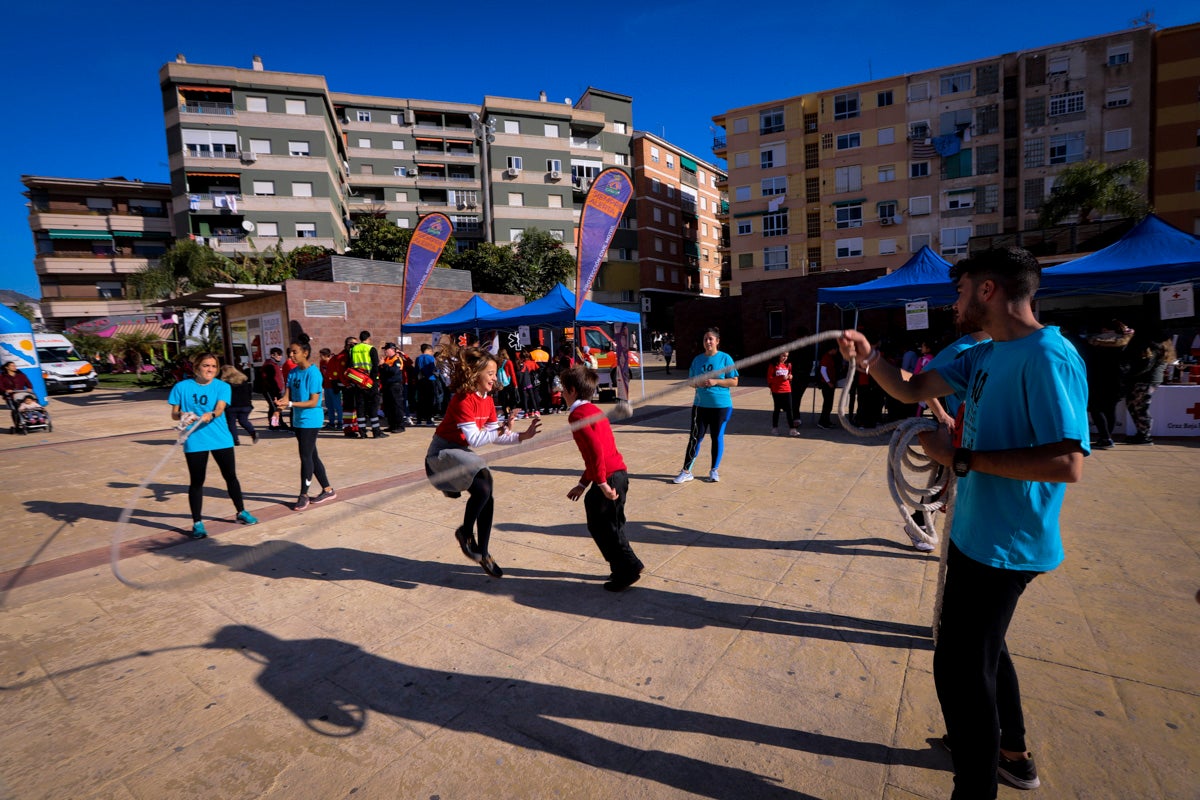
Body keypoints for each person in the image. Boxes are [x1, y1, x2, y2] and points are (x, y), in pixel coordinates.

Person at [838, 247, 1088, 799]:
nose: (953, 302)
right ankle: (1011, 753)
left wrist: (962, 459)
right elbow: (910, 388)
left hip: (1008, 547)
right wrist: (869, 358)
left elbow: (1066, 462)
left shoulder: (1049, 356)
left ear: (988, 290)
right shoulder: (983, 354)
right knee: (984, 653)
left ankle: (977, 783)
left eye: (960, 290)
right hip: (976, 537)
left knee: (959, 672)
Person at [425, 341, 541, 578]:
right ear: (476, 374)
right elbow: (477, 440)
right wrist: (501, 429)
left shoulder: (487, 399)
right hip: (440, 456)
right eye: (490, 373)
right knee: (484, 476)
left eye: (494, 372)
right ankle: (466, 534)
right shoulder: (463, 399)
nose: (494, 377)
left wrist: (521, 435)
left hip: (459, 454)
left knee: (486, 491)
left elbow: (495, 435)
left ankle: (483, 553)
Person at [561, 364, 644, 591]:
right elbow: (594, 455)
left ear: (572, 390)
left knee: (605, 526)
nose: (560, 393)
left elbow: (596, 451)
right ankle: (622, 568)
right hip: (616, 474)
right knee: (607, 524)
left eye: (562, 388)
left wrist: (602, 484)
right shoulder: (593, 410)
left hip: (610, 477)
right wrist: (582, 484)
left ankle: (629, 567)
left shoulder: (578, 414)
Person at [168, 353, 259, 538]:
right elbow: (174, 413)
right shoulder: (181, 387)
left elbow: (220, 408)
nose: (210, 369)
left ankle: (241, 511)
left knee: (230, 476)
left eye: (213, 366)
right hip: (194, 440)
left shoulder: (222, 386)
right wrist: (182, 415)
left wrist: (212, 414)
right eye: (205, 365)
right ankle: (197, 523)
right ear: (196, 367)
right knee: (197, 481)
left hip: (220, 438)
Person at [673, 327, 739, 484]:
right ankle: (686, 471)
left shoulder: (725, 358)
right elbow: (691, 382)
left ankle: (714, 470)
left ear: (717, 341)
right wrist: (698, 383)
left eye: (711, 339)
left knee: (716, 437)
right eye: (705, 339)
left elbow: (734, 381)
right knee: (695, 438)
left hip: (721, 406)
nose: (708, 341)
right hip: (700, 406)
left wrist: (717, 381)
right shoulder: (697, 360)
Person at [280, 336, 337, 511]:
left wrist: (289, 404)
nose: (291, 355)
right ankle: (328, 490)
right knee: (312, 456)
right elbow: (287, 395)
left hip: (311, 420)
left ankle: (303, 494)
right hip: (297, 419)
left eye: (295, 352)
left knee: (305, 457)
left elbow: (314, 402)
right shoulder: (293, 372)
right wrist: (281, 404)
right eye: (290, 351)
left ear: (305, 353)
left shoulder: (314, 373)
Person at [1085, 320, 1132, 449]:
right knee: (1110, 409)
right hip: (1118, 380)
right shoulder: (1126, 342)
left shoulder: (1095, 343)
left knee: (1096, 408)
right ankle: (1108, 437)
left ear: (1105, 329)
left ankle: (1105, 437)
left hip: (1098, 379)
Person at [1122, 329, 1174, 445]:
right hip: (1151, 380)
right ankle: (1142, 433)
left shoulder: (1154, 347)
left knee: (1140, 408)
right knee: (1136, 406)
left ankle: (1145, 435)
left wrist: (1130, 374)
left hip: (1145, 380)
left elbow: (1146, 365)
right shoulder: (1166, 348)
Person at [350, 331, 387, 439]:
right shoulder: (371, 349)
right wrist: (372, 381)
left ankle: (362, 432)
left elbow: (351, 366)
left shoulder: (353, 349)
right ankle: (376, 432)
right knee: (373, 406)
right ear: (368, 338)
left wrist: (358, 381)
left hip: (358, 381)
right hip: (370, 382)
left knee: (360, 407)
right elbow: (375, 367)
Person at [219, 364, 257, 446]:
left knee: (231, 423)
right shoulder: (244, 381)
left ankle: (235, 440)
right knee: (243, 421)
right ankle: (253, 432)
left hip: (232, 406)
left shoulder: (225, 383)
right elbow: (249, 393)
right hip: (245, 405)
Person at [767, 352, 801, 436]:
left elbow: (789, 374)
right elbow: (769, 379)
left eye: (787, 356)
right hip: (777, 390)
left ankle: (792, 429)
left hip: (787, 389)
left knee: (789, 409)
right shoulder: (773, 365)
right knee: (777, 409)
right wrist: (780, 378)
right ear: (778, 355)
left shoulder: (788, 365)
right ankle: (775, 428)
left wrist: (790, 376)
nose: (785, 358)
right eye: (783, 356)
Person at [379, 343, 408, 433]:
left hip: (395, 386)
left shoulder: (397, 359)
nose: (385, 351)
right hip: (387, 386)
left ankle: (400, 426)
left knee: (397, 406)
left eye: (386, 349)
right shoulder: (386, 359)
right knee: (388, 407)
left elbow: (394, 371)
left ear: (392, 350)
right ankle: (392, 425)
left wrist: (384, 365)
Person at [258, 348, 286, 430]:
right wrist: (273, 390)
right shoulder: (269, 365)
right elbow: (267, 379)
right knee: (274, 407)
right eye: (278, 355)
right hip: (270, 390)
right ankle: (275, 424)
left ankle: (275, 424)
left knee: (275, 407)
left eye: (281, 355)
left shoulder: (276, 365)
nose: (280, 357)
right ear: (273, 355)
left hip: (277, 390)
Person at [318, 347, 345, 431]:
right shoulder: (322, 362)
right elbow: (321, 373)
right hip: (326, 387)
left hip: (334, 387)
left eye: (321, 356)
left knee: (337, 406)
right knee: (329, 406)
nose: (320, 357)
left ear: (327, 356)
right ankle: (331, 423)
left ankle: (340, 423)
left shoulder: (333, 362)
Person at [815, 342, 839, 430]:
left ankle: (826, 421)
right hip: (826, 384)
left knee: (828, 404)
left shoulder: (829, 357)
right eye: (836, 349)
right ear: (832, 349)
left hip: (829, 383)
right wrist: (828, 382)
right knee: (827, 404)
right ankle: (822, 422)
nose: (837, 351)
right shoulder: (826, 357)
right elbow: (823, 371)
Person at [414, 343, 438, 425]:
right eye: (431, 351)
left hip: (420, 381)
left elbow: (416, 370)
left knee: (420, 400)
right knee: (429, 400)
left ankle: (419, 420)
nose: (432, 352)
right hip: (429, 380)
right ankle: (428, 420)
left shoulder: (418, 358)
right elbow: (433, 369)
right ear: (427, 350)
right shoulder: (431, 358)